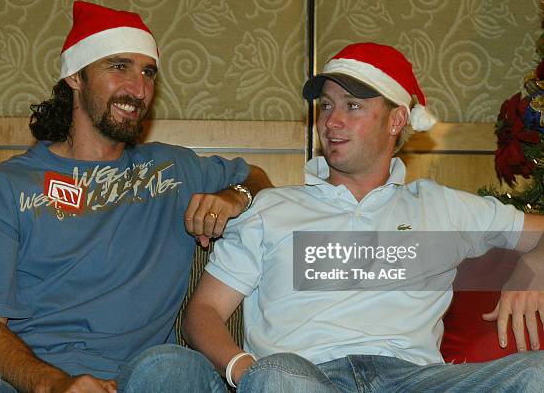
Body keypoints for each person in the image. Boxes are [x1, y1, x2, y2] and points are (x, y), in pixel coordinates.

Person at [0, 1, 271, 392]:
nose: (138, 88)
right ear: (75, 76)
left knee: (173, 365)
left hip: (134, 381)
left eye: (147, 72)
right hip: (17, 383)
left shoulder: (173, 171)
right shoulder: (5, 185)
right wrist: (54, 384)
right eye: (118, 66)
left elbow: (257, 178)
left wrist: (236, 195)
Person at [182, 42, 544, 392]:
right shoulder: (272, 208)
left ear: (397, 120)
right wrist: (242, 369)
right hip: (304, 376)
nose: (331, 121)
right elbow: (205, 310)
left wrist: (532, 271)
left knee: (537, 373)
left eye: (352, 106)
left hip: (414, 379)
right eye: (325, 106)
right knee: (277, 375)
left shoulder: (441, 206)